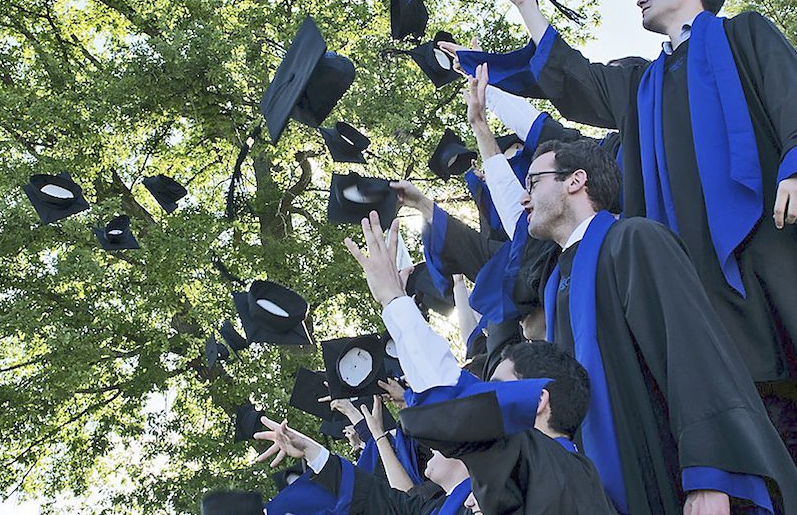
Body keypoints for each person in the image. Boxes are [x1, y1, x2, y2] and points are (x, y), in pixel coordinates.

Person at [468, 0, 797, 458]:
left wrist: (794, 164)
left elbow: (788, 92)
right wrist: (528, 6)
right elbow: (579, 78)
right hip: (691, 272)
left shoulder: (742, 35)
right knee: (745, 406)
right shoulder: (643, 85)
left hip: (766, 234)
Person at [517, 138, 797, 514]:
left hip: (670, 473)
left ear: (575, 181)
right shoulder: (557, 284)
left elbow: (694, 353)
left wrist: (711, 473)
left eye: (533, 182)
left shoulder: (633, 240)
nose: (524, 198)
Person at [339, 211, 617, 514]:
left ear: (538, 401)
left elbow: (451, 399)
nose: (480, 397)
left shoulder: (542, 466)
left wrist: (393, 300)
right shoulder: (559, 474)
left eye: (494, 389)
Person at [255, 416, 472, 514]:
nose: (432, 446)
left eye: (443, 442)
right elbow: (375, 497)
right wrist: (310, 449)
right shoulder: (428, 508)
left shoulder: (487, 497)